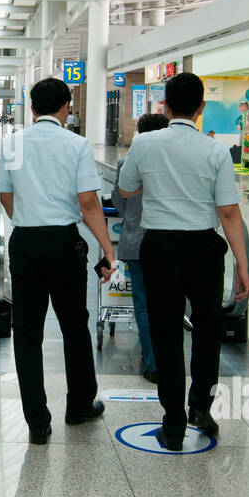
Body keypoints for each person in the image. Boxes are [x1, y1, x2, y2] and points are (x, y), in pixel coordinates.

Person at [118, 73, 249, 449]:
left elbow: (127, 188)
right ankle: (201, 409)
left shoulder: (145, 143)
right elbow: (228, 212)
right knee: (208, 332)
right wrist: (241, 263)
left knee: (166, 333)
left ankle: (172, 422)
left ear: (164, 106)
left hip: (158, 246)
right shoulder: (214, 150)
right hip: (203, 250)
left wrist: (153, 182)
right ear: (201, 108)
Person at [0, 77, 116, 445]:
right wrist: (107, 248)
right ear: (66, 108)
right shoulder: (77, 144)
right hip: (64, 242)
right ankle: (79, 405)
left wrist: (27, 220)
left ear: (31, 109)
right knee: (74, 325)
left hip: (26, 241)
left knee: (27, 331)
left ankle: (37, 422)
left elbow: (5, 195)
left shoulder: (12, 143)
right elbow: (89, 203)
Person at [112, 112, 169, 383]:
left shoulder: (126, 162)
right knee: (169, 305)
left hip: (136, 242)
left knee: (144, 306)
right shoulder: (172, 162)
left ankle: (153, 364)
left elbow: (120, 204)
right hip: (169, 242)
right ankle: (171, 362)